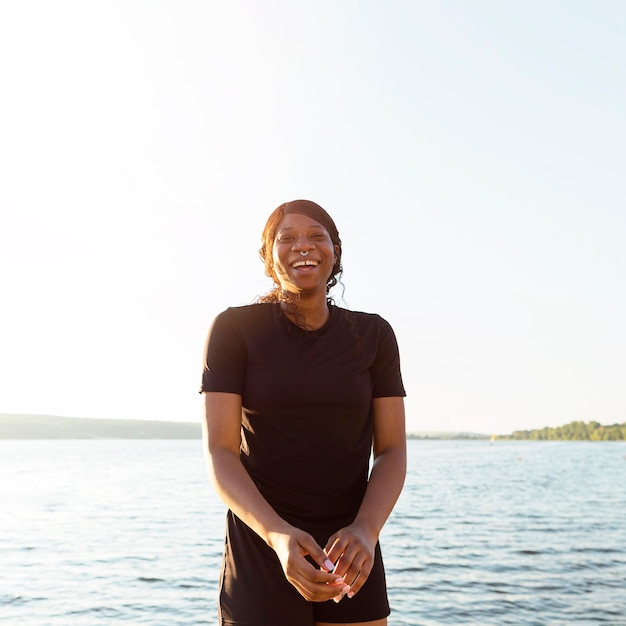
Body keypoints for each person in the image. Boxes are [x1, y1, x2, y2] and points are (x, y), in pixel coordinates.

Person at [200, 199, 406, 626]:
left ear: (335, 251)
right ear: (268, 256)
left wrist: (366, 530)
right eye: (287, 237)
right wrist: (277, 536)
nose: (303, 246)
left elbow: (391, 450)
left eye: (316, 235)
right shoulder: (234, 330)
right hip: (261, 545)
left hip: (351, 552)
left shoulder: (374, 335)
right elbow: (220, 451)